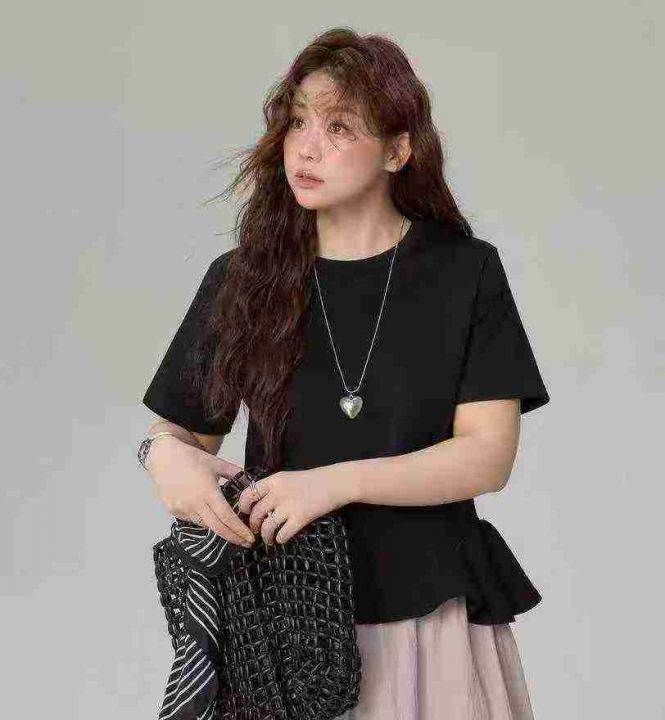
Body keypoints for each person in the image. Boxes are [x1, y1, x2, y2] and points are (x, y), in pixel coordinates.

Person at [140, 27, 550, 720]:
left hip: (429, 620)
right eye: (297, 121)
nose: (305, 147)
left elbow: (488, 455)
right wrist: (162, 457)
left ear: (397, 150)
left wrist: (333, 484)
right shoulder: (243, 280)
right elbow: (179, 434)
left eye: (338, 127)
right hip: (286, 627)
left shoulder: (462, 273)